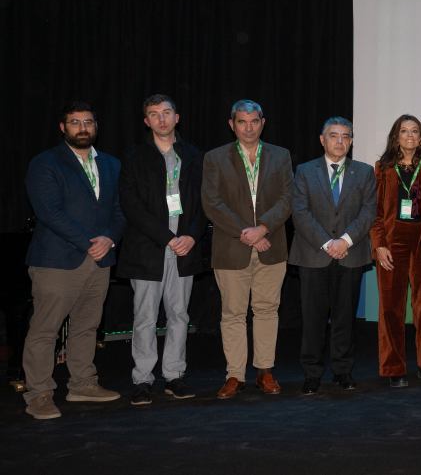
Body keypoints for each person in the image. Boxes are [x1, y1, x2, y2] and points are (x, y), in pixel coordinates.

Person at [22, 101, 126, 419]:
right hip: (56, 260)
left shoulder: (110, 164)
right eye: (75, 122)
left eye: (88, 122)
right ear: (63, 127)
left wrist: (109, 238)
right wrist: (88, 242)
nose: (82, 127)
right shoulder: (46, 163)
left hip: (99, 259)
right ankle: (39, 394)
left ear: (96, 126)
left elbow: (120, 211)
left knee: (87, 326)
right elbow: (49, 212)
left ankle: (83, 384)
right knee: (45, 330)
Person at [202, 99, 293, 399]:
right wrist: (249, 233)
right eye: (242, 121)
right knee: (232, 313)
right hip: (231, 247)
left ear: (262, 123)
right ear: (232, 124)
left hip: (272, 245)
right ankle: (235, 375)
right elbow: (212, 204)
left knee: (267, 310)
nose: (249, 127)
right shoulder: (215, 158)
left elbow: (287, 199)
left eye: (254, 121)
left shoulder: (281, 156)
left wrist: (263, 228)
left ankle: (265, 371)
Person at [118, 94, 206, 405]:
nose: (162, 119)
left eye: (167, 112)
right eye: (154, 114)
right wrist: (167, 237)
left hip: (184, 248)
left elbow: (203, 204)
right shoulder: (134, 156)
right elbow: (131, 205)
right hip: (148, 248)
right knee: (144, 317)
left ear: (177, 117)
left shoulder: (193, 155)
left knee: (179, 314)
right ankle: (143, 379)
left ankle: (174, 375)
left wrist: (191, 237)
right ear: (147, 121)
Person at [288, 117, 376, 394]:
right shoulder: (304, 171)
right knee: (313, 319)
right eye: (334, 136)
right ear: (322, 140)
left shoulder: (363, 172)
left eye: (346, 136)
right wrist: (328, 243)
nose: (340, 141)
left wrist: (345, 240)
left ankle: (342, 371)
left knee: (345, 318)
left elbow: (368, 211)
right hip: (314, 255)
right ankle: (312, 373)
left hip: (350, 253)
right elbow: (300, 212)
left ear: (351, 141)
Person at [369, 115, 421, 388]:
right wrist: (379, 245)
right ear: (396, 136)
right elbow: (374, 212)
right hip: (392, 242)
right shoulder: (382, 168)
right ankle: (393, 367)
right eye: (404, 131)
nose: (409, 136)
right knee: (391, 308)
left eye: (415, 131)